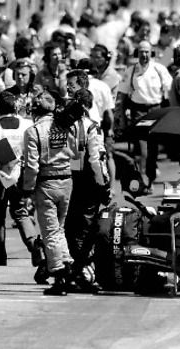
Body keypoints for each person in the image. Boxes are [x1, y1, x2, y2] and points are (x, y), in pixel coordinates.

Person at [22, 97, 88, 296]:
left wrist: (27, 189)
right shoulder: (67, 126)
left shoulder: (33, 131)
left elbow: (32, 166)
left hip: (46, 182)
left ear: (35, 111)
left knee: (50, 231)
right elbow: (76, 153)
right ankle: (67, 264)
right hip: (66, 180)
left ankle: (59, 275)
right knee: (59, 229)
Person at [0, 91, 42, 276]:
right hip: (22, 175)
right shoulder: (27, 125)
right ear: (16, 107)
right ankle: (33, 244)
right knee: (21, 212)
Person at [64, 89, 109, 293]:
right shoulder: (92, 127)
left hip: (65, 179)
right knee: (85, 226)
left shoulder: (61, 124)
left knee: (69, 226)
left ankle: (72, 268)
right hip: (86, 181)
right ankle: (82, 270)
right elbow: (97, 159)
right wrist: (103, 184)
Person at [116, 40, 172, 190]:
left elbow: (169, 90)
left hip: (155, 110)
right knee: (142, 149)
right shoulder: (131, 71)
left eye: (147, 52)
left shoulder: (159, 69)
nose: (144, 55)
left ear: (151, 53)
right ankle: (142, 180)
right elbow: (122, 94)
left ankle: (150, 179)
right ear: (137, 53)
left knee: (153, 148)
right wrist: (121, 116)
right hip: (138, 111)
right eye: (141, 52)